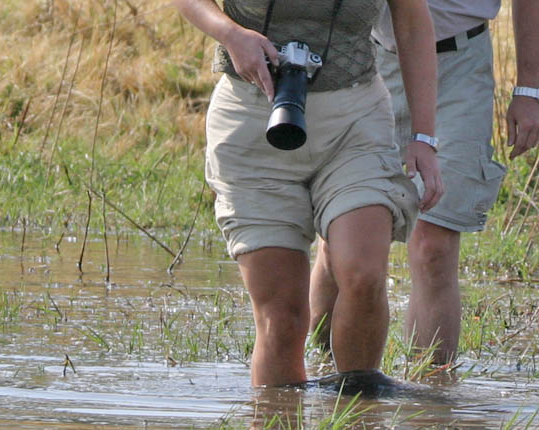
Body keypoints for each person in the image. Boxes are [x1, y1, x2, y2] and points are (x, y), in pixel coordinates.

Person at [173, 0, 442, 386]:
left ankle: (358, 413)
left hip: (355, 121)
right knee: (282, 320)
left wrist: (424, 138)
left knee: (363, 275)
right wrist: (230, 34)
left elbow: (414, 25)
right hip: (252, 121)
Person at [310, 0, 539, 364]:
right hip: (366, 60)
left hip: (458, 65)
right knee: (342, 238)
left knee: (433, 245)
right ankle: (325, 373)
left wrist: (529, 90)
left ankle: (430, 397)